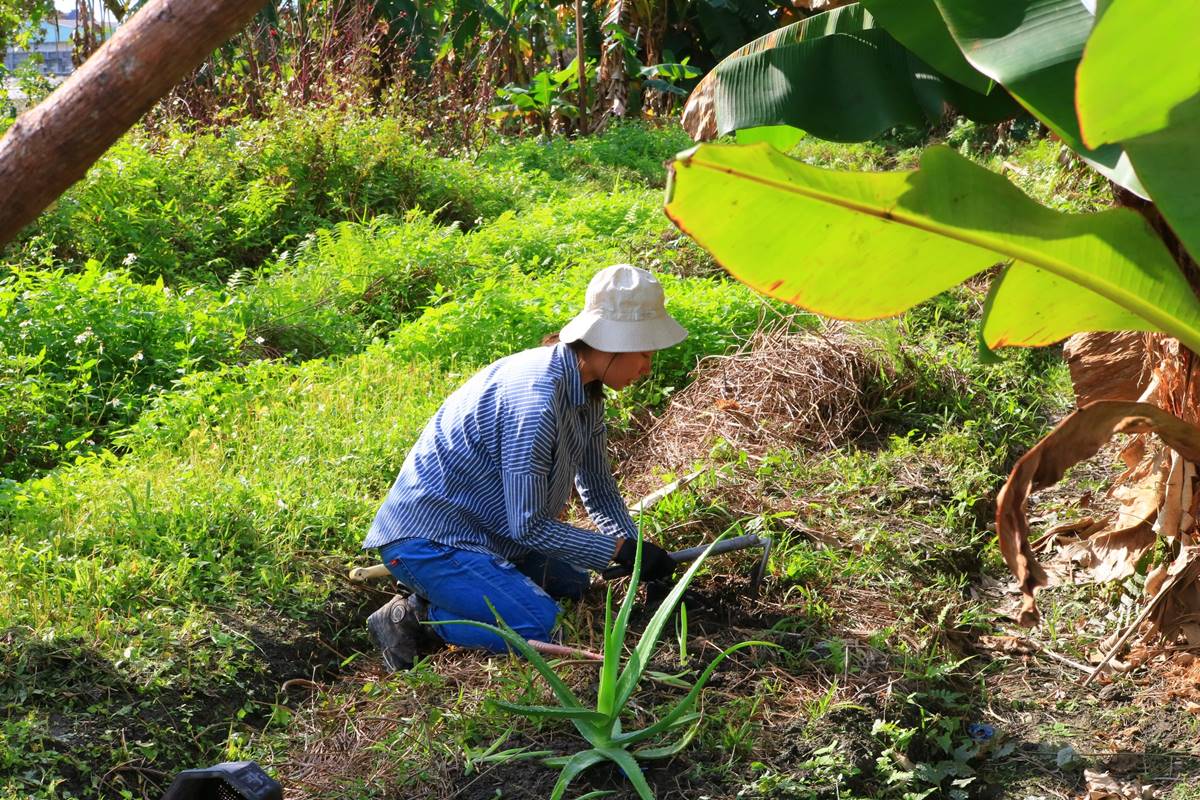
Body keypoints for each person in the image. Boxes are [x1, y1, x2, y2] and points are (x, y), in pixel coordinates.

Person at [363, 264, 689, 671]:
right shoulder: (535, 401)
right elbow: (529, 526)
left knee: (573, 584)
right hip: (431, 541)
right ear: (611, 345)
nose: (647, 368)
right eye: (643, 354)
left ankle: (456, 590)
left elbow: (599, 489)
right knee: (540, 625)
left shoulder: (585, 393)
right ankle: (417, 618)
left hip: (487, 532)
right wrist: (615, 550)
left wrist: (637, 553)